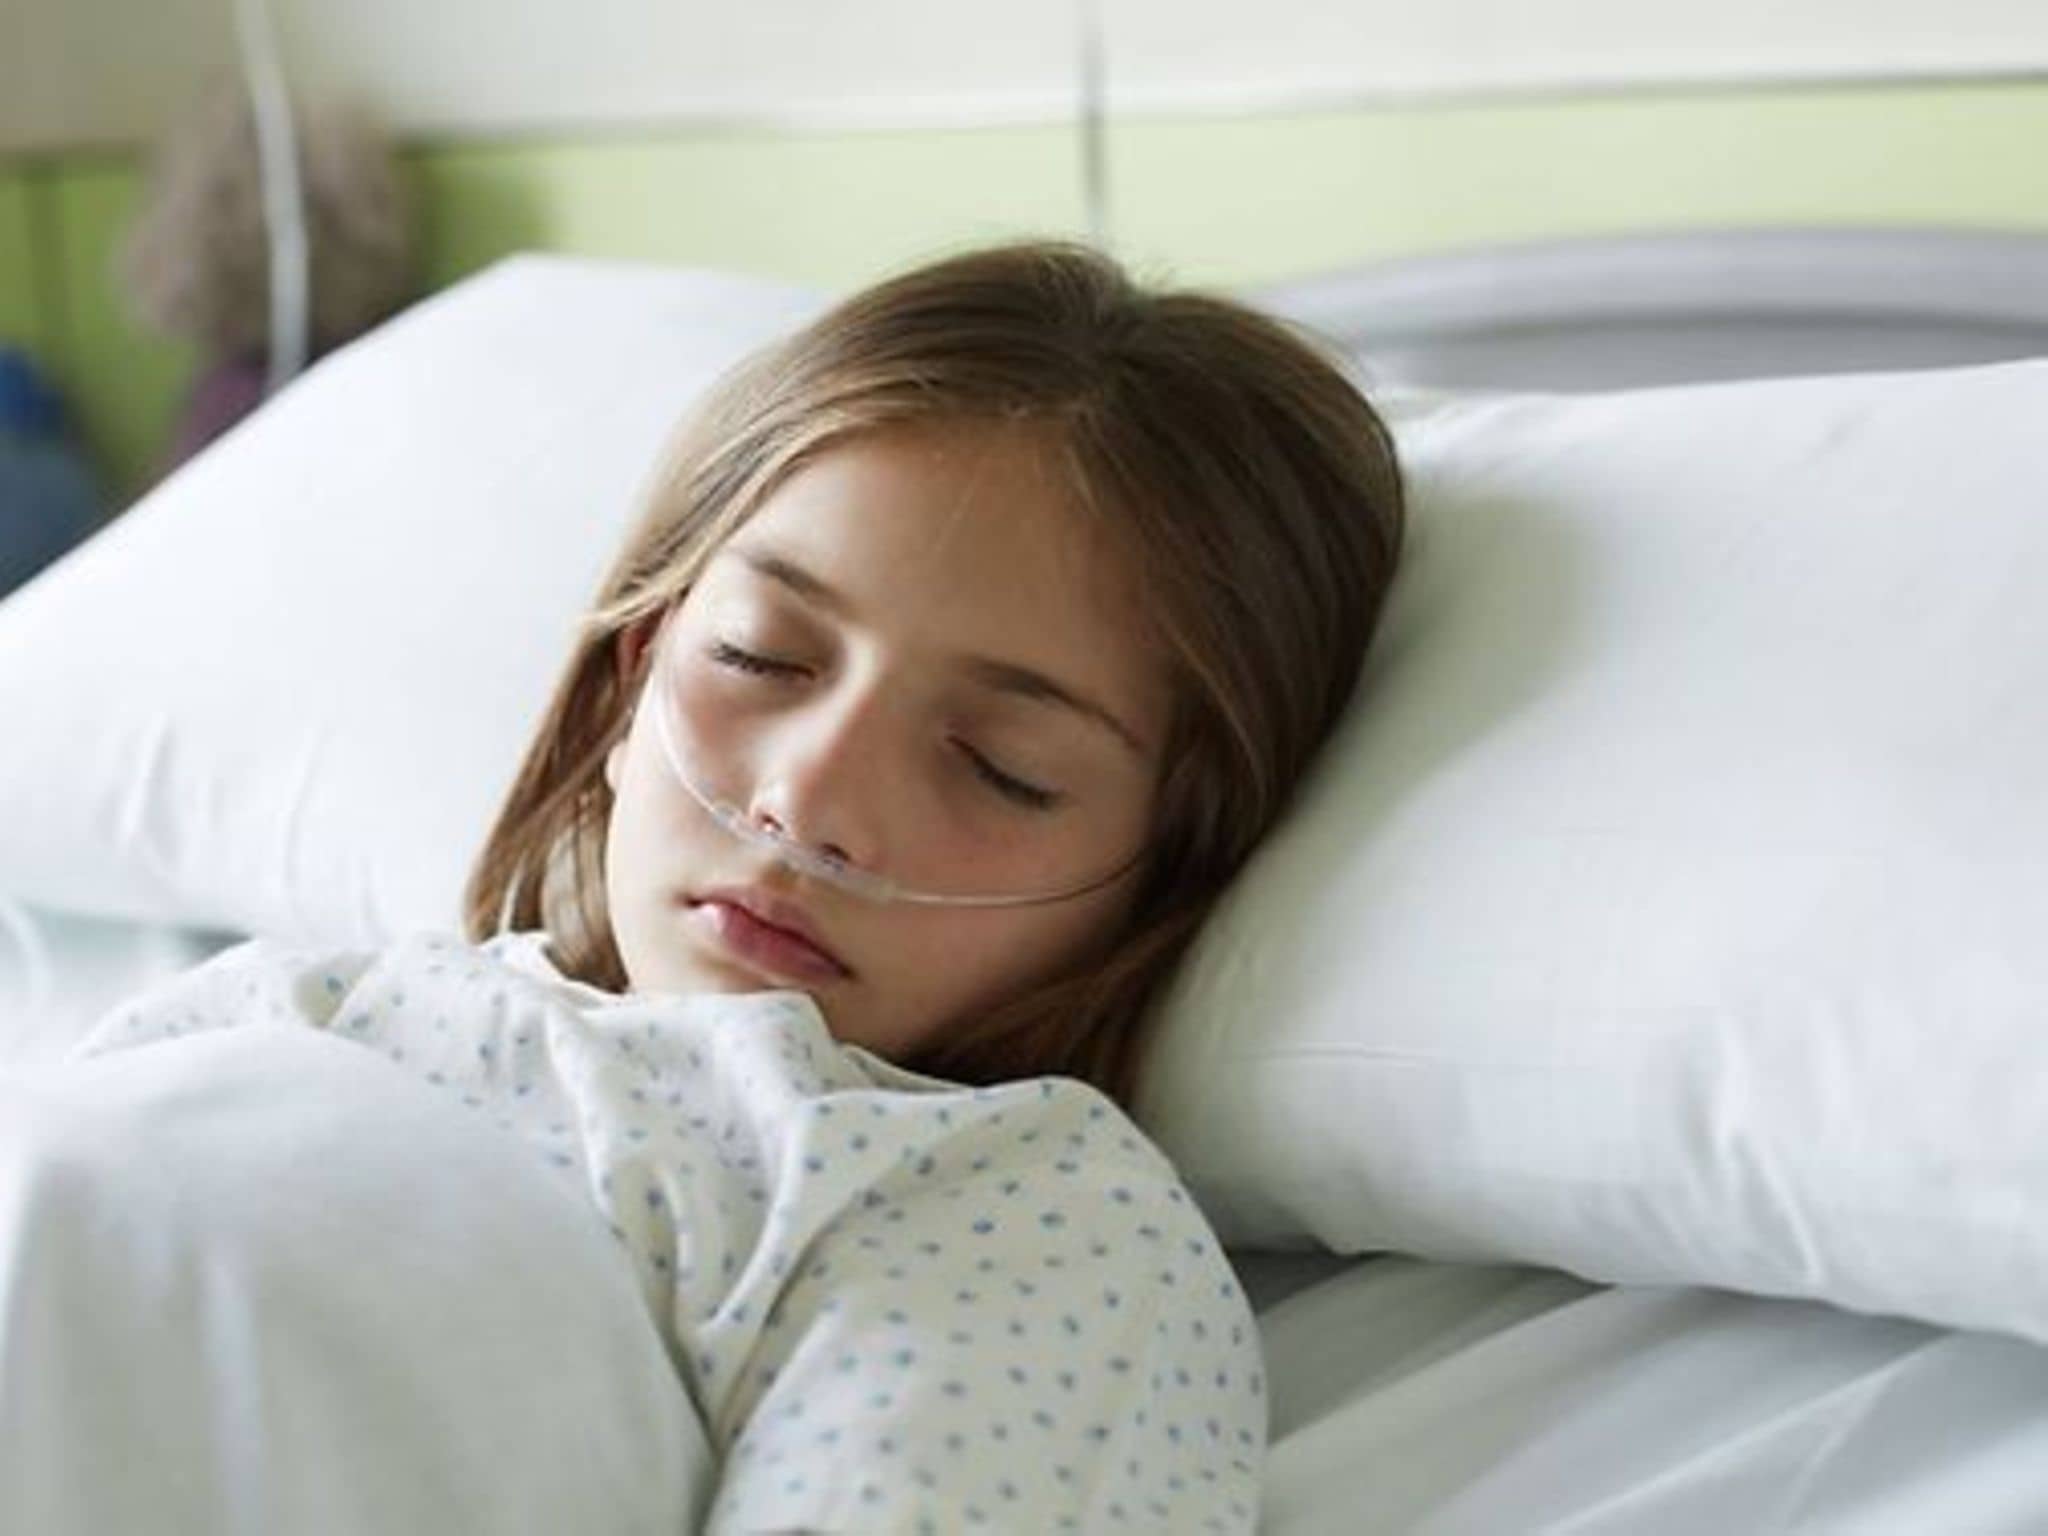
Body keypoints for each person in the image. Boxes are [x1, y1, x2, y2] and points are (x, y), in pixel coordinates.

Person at [65, 238, 1406, 1532]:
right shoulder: (302, 1007)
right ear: (633, 673)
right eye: (762, 656)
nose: (807, 804)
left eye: (1002, 768)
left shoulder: (1001, 1210)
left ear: (1164, 864)